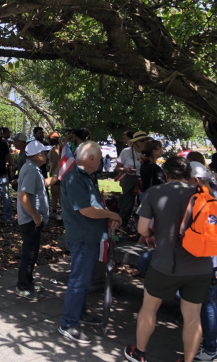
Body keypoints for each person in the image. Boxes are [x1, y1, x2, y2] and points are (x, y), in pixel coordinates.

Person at [124, 157, 213, 362]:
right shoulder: (202, 194)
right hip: (200, 265)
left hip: (165, 264)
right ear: (187, 174)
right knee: (193, 315)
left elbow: (142, 229)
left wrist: (152, 236)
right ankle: (188, 359)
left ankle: (139, 353)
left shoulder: (155, 192)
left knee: (149, 307)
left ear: (166, 174)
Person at [58, 141, 123, 344]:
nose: (103, 162)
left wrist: (107, 215)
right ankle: (68, 323)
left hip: (91, 236)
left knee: (84, 279)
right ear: (92, 159)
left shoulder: (86, 176)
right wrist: (111, 213)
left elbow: (93, 205)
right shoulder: (75, 178)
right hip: (83, 237)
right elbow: (86, 209)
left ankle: (80, 312)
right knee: (79, 279)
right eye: (101, 157)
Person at [15, 140, 59, 300]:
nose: (47, 155)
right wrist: (36, 217)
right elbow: (23, 196)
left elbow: (42, 184)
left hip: (32, 220)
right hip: (30, 221)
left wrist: (55, 177)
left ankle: (28, 281)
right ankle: (22, 285)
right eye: (45, 153)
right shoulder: (32, 170)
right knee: (29, 253)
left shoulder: (32, 168)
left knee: (32, 253)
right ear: (37, 155)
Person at [188, 162, 217, 362]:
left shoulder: (199, 200)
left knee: (207, 304)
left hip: (207, 260)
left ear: (196, 180)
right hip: (212, 261)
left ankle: (210, 347)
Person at [116, 130, 147, 226]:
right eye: (141, 140)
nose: (143, 142)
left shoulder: (148, 152)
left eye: (145, 140)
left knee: (143, 203)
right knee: (126, 203)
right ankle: (123, 224)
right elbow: (117, 168)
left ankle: (140, 225)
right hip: (129, 179)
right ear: (135, 142)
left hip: (143, 179)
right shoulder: (126, 151)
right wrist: (126, 170)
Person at [47, 132, 61, 219]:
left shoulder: (54, 149)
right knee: (55, 193)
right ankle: (54, 210)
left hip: (56, 173)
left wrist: (51, 171)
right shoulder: (60, 148)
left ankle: (58, 212)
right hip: (58, 173)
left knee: (56, 193)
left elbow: (54, 162)